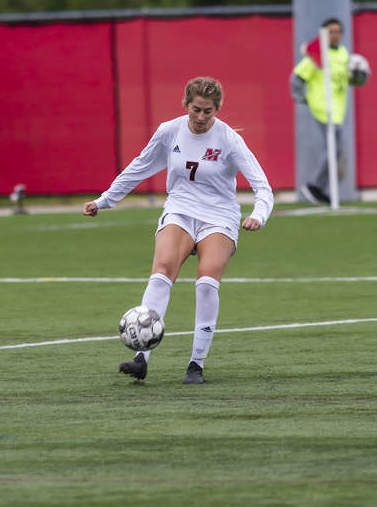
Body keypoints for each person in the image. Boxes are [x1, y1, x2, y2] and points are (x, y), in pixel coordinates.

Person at [85, 76, 273, 384]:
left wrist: (259, 215)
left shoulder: (228, 139)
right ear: (185, 105)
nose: (201, 118)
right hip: (181, 210)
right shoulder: (169, 131)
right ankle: (140, 358)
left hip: (219, 216)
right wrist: (105, 200)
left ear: (217, 110)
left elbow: (261, 185)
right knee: (161, 270)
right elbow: (139, 167)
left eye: (208, 112)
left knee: (206, 280)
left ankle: (196, 364)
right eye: (196, 109)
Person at [288, 17, 365, 204]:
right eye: (331, 31)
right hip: (323, 108)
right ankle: (314, 186)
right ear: (323, 34)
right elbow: (297, 78)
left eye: (338, 31)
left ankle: (319, 187)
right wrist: (302, 97)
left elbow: (348, 79)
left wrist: (359, 77)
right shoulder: (318, 55)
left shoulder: (343, 54)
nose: (335, 35)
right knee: (334, 148)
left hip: (338, 109)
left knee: (335, 150)